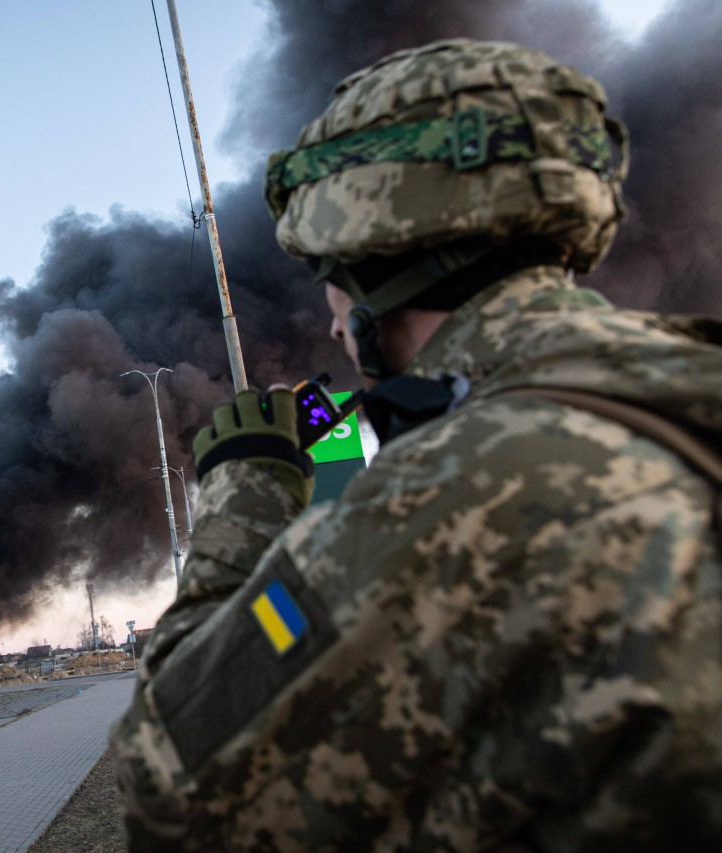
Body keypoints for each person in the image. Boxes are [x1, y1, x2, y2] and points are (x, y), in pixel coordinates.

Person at [111, 38, 722, 851]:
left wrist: (243, 491)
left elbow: (171, 790)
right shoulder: (677, 388)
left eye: (334, 274)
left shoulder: (464, 490)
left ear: (385, 260)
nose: (331, 318)